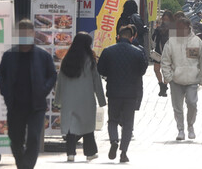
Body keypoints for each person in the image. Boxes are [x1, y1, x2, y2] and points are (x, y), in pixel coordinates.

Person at [0, 19, 57, 169]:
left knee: (33, 138)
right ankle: (21, 164)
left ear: (33, 34)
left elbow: (52, 75)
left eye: (27, 34)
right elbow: (1, 74)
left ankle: (27, 166)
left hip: (36, 105)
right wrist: (5, 92)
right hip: (15, 105)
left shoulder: (43, 56)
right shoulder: (9, 55)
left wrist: (44, 89)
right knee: (15, 139)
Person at [97, 26, 148, 163]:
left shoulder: (108, 51)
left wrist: (111, 74)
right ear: (132, 38)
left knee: (112, 119)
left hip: (113, 91)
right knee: (128, 123)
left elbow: (101, 69)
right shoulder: (137, 52)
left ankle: (114, 140)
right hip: (131, 92)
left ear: (118, 36)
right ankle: (123, 152)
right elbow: (142, 70)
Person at [54, 32, 106, 162]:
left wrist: (58, 100)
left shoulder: (66, 60)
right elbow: (97, 81)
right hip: (86, 99)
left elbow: (60, 82)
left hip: (68, 99)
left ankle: (70, 153)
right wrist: (101, 100)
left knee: (71, 127)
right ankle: (90, 152)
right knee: (87, 126)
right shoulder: (90, 60)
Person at [161, 16, 202, 140]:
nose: (180, 30)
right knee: (177, 107)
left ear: (188, 27)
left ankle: (190, 125)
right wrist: (169, 77)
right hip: (176, 80)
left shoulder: (197, 41)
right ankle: (180, 129)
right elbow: (165, 61)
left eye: (183, 28)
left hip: (192, 79)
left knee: (192, 103)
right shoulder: (171, 42)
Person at [151, 11, 174, 97]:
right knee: (156, 69)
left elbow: (174, 41)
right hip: (158, 51)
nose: (165, 21)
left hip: (169, 52)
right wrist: (157, 30)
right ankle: (161, 84)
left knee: (168, 70)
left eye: (167, 19)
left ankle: (164, 85)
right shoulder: (159, 28)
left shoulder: (173, 29)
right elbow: (154, 38)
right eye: (164, 19)